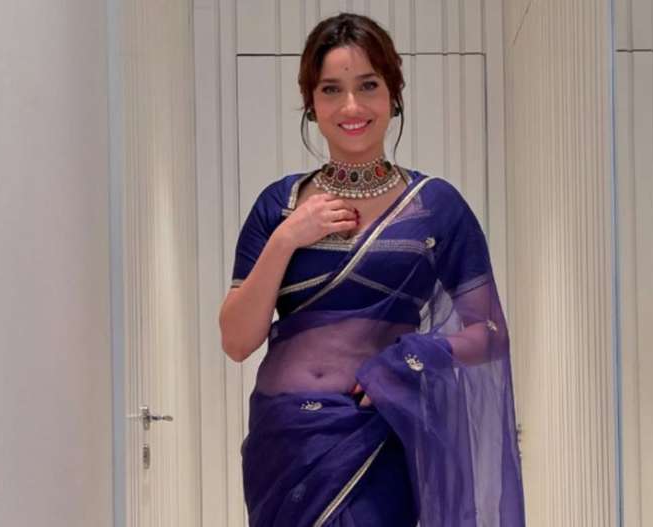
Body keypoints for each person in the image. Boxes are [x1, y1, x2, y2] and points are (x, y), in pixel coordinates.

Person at [219, 12, 525, 527]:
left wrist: (411, 357)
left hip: (379, 435)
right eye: (331, 90)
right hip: (285, 444)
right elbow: (236, 340)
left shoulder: (434, 205)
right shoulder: (280, 205)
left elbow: (490, 333)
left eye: (368, 85)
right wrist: (288, 238)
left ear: (394, 94)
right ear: (311, 103)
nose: (351, 106)